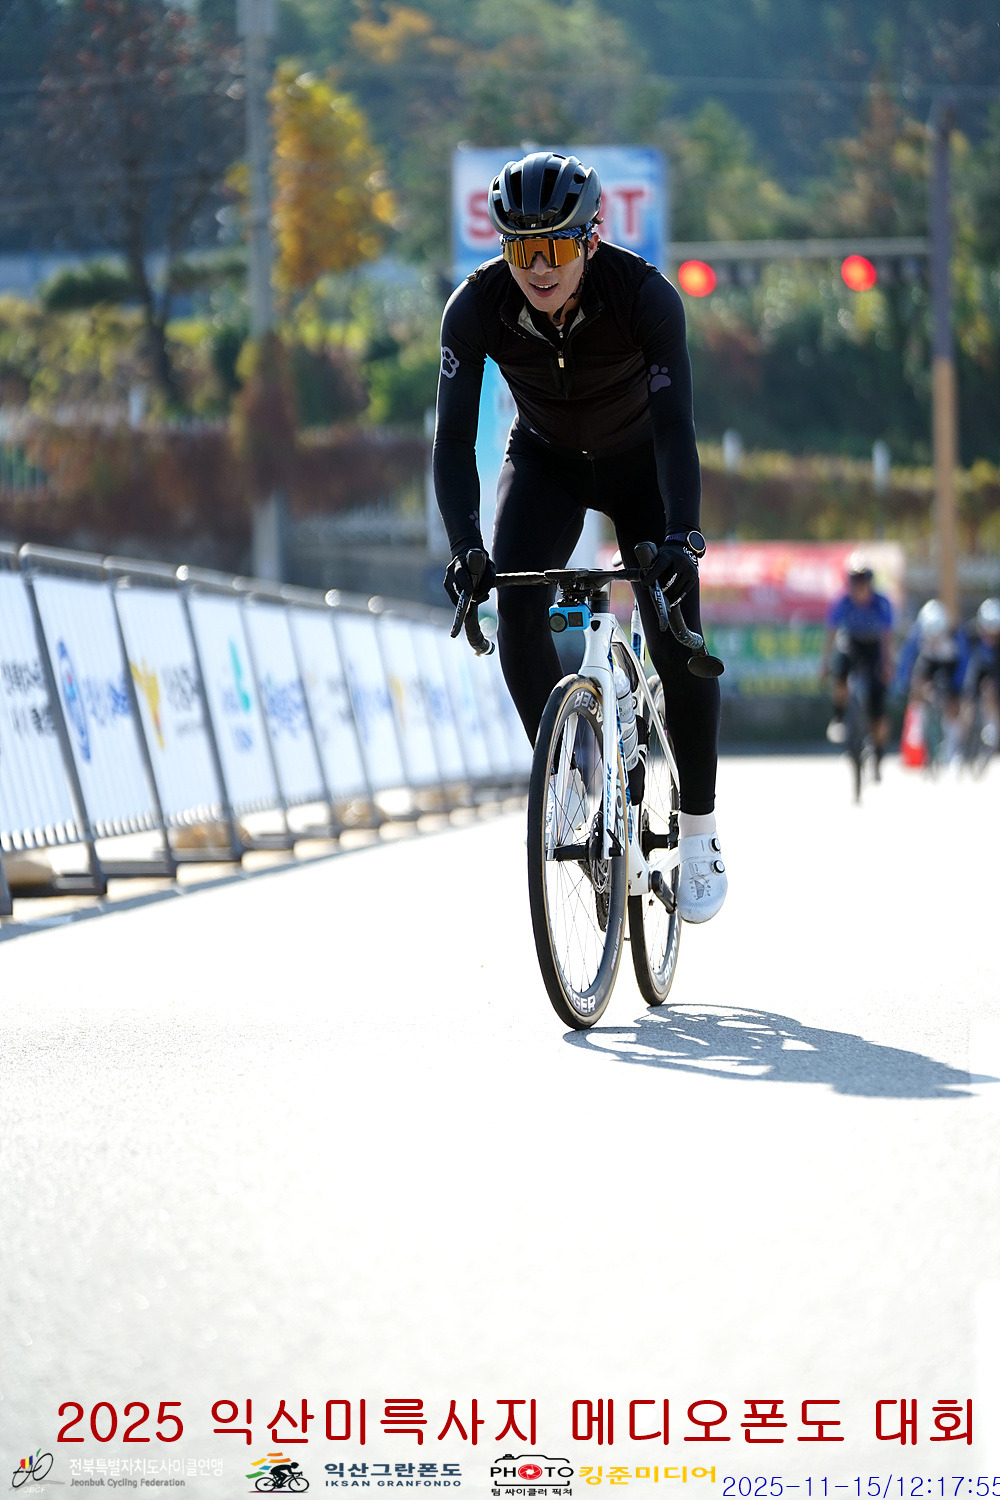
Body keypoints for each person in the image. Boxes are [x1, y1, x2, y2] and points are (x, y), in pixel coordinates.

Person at [432, 151, 725, 922]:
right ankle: (566, 780)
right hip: (546, 464)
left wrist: (683, 536)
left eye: (556, 246)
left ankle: (700, 830)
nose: (538, 267)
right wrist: (465, 548)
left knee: (678, 630)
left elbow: (676, 428)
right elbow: (453, 442)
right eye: (521, 247)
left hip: (641, 465)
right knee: (515, 608)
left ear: (590, 240)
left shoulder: (645, 297)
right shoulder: (476, 306)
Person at [819, 554, 894, 769]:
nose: (860, 587)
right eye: (856, 581)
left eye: (864, 581)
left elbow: (887, 636)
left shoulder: (881, 602)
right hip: (851, 643)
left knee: (877, 705)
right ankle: (839, 717)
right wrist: (825, 662)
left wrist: (887, 663)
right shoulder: (842, 601)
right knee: (840, 671)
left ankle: (878, 752)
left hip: (873, 646)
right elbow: (832, 632)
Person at [895, 598, 969, 764]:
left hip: (950, 664)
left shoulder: (955, 634)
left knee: (953, 702)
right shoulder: (917, 633)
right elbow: (907, 658)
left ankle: (953, 745)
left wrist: (958, 686)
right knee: (917, 684)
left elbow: (964, 663)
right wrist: (903, 683)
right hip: (928, 662)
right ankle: (918, 722)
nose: (934, 640)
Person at [959, 596, 1000, 753]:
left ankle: (992, 729)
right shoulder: (971, 635)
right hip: (977, 668)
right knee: (968, 701)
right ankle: (962, 742)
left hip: (995, 670)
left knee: (992, 690)